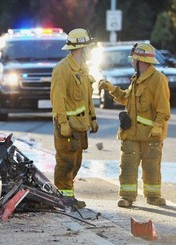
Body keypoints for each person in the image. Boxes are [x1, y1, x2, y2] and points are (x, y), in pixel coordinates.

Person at [99, 43, 170, 207]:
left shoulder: (158, 80)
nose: (131, 62)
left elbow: (163, 109)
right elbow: (127, 99)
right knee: (127, 166)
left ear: (141, 61)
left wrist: (158, 126)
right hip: (131, 133)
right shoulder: (136, 79)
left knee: (151, 166)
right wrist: (112, 89)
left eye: (134, 59)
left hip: (150, 135)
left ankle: (153, 196)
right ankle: (127, 197)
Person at [50, 28, 99, 209]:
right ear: (81, 48)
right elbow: (58, 99)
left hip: (80, 126)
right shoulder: (62, 69)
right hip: (68, 127)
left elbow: (87, 97)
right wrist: (63, 123)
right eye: (88, 47)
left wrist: (92, 118)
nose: (90, 51)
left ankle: (67, 196)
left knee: (76, 163)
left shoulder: (82, 69)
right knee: (66, 163)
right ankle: (63, 199)